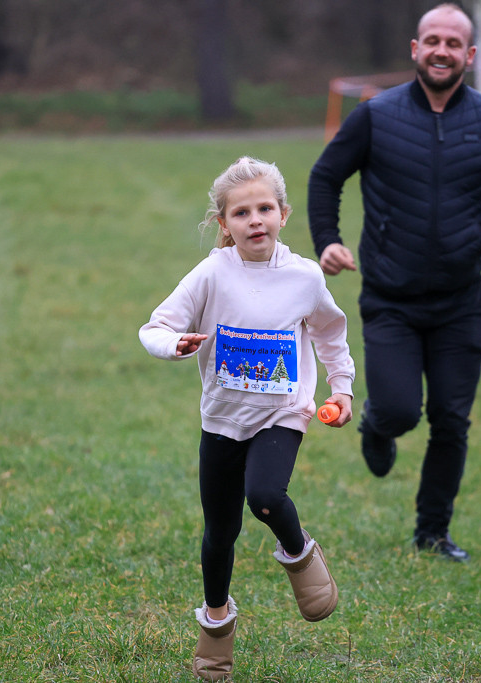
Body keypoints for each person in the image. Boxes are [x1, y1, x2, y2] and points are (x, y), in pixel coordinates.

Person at [308, 3, 481, 563]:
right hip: (391, 299)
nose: (442, 50)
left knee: (451, 418)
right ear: (415, 50)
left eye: (454, 43)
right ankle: (377, 425)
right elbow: (326, 175)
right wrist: (327, 240)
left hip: (462, 300)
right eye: (432, 40)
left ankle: (432, 532)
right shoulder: (377, 115)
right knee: (400, 411)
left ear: (469, 55)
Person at [139, 157, 355, 681]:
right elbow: (155, 325)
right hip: (222, 420)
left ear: (282, 213)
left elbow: (329, 330)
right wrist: (176, 344)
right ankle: (216, 626)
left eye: (264, 209)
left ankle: (299, 552)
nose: (254, 220)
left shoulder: (304, 276)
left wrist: (341, 386)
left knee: (264, 495)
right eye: (241, 212)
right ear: (224, 224)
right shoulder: (212, 272)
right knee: (220, 532)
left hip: (283, 412)